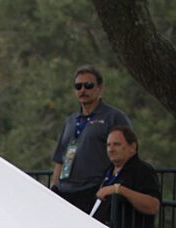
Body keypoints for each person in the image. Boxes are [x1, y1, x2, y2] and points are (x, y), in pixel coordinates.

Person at [50, 66, 131, 213]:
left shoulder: (113, 117)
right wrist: (54, 187)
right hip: (64, 191)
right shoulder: (70, 121)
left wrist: (112, 186)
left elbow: (128, 153)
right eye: (78, 86)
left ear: (100, 88)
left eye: (88, 85)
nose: (83, 90)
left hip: (93, 190)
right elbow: (60, 159)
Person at [94, 126, 163, 228]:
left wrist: (119, 190)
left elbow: (153, 205)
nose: (111, 149)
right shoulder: (107, 171)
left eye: (117, 144)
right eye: (108, 145)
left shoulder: (143, 171)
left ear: (132, 147)